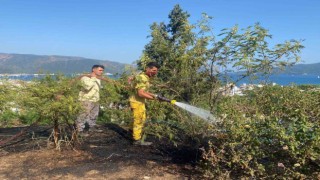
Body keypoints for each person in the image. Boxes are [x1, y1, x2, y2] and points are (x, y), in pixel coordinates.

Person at [129, 62, 161, 145]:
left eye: (156, 71)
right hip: (137, 102)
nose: (155, 72)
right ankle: (136, 140)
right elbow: (140, 93)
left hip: (139, 102)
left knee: (140, 119)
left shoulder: (145, 76)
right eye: (153, 70)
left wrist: (155, 96)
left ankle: (131, 133)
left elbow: (144, 91)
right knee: (139, 120)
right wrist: (154, 99)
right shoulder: (142, 78)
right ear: (148, 69)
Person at [76, 64, 112, 135]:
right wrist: (93, 78)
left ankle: (92, 127)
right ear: (94, 70)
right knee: (83, 114)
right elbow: (87, 87)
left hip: (95, 100)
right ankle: (79, 130)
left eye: (102, 71)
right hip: (86, 99)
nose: (101, 72)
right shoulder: (85, 78)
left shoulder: (98, 78)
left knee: (94, 114)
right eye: (100, 70)